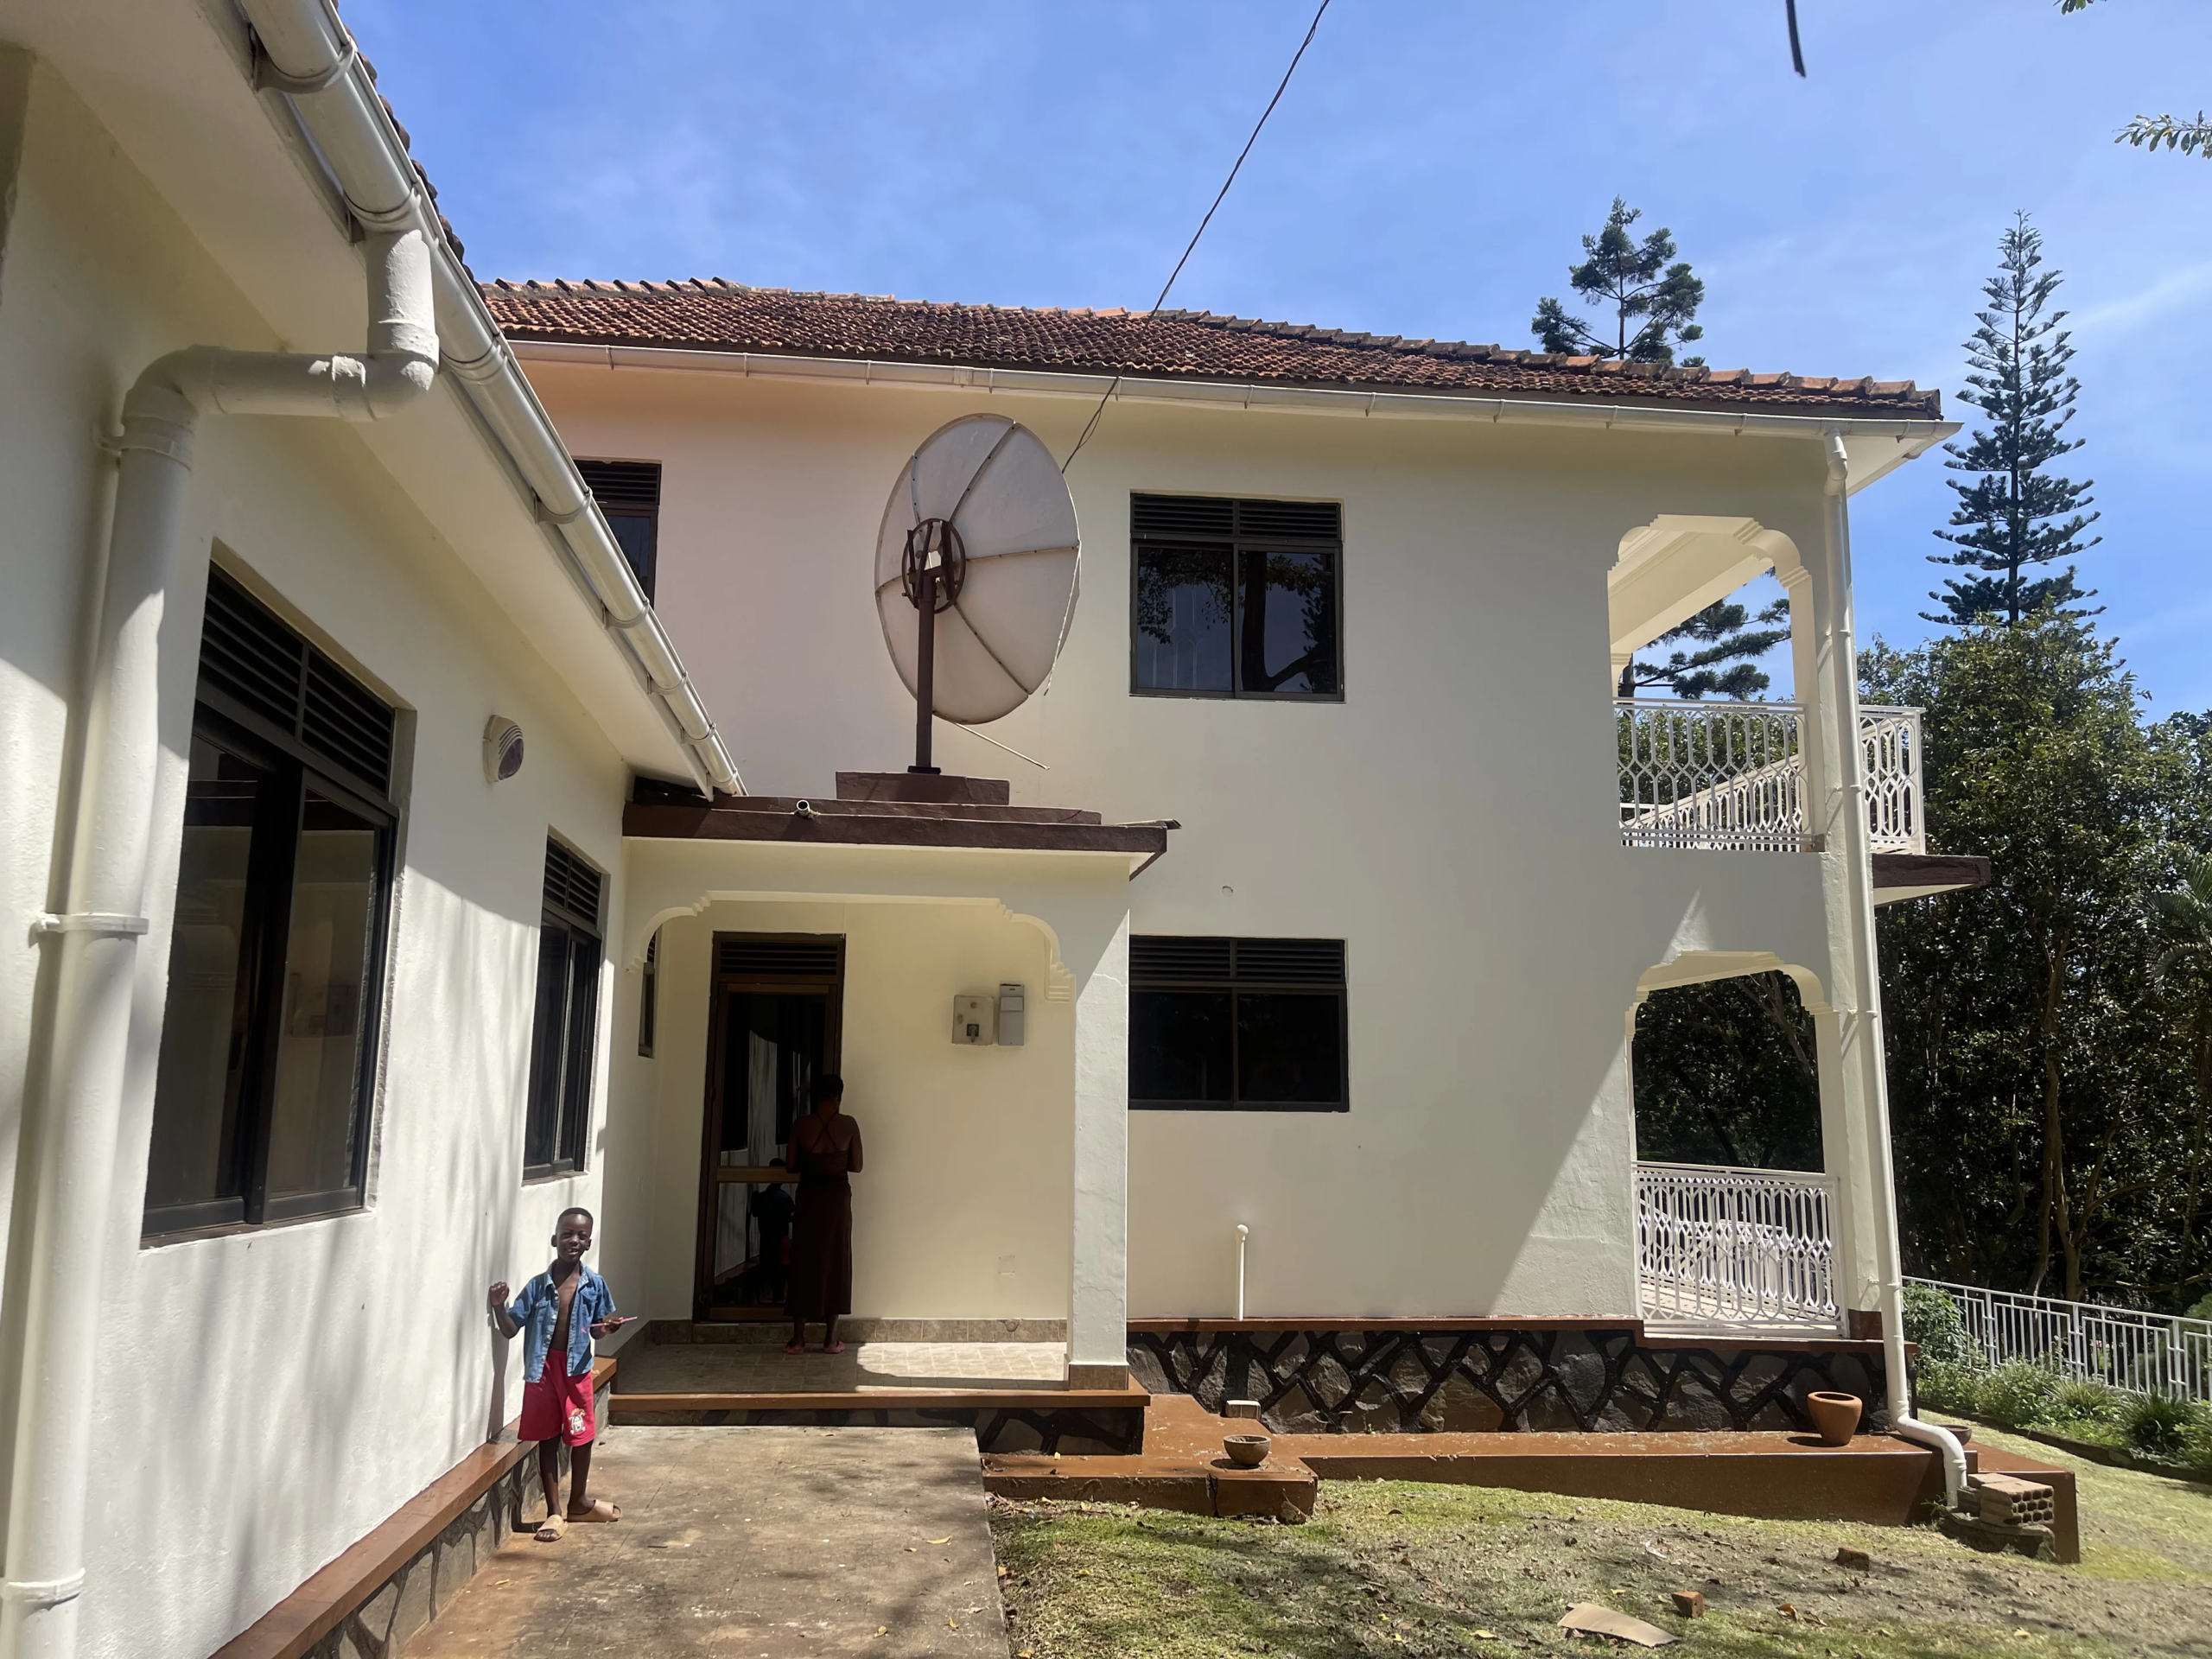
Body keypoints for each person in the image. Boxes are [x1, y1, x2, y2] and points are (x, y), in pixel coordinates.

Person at [488, 1206, 632, 1541]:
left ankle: (579, 1502)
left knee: (582, 1436)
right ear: (555, 1240)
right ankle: (554, 1512)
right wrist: (498, 1306)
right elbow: (510, 1329)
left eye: (582, 1236)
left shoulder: (595, 1285)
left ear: (589, 1243)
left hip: (576, 1374)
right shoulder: (537, 1287)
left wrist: (607, 1328)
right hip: (542, 1374)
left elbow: (597, 1330)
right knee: (548, 1438)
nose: (574, 1240)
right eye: (567, 1234)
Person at [785, 1074, 862, 1355]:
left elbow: (790, 1166)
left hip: (809, 1197)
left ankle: (798, 1340)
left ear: (815, 1097)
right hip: (837, 1200)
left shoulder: (801, 1125)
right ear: (838, 1097)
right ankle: (831, 1339)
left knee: (803, 1260)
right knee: (836, 1261)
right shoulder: (849, 1124)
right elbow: (857, 1166)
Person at [751, 1157, 795, 1306]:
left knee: (769, 1266)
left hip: (766, 1237)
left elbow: (755, 1212)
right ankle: (779, 1295)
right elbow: (791, 1215)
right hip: (781, 1237)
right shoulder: (785, 1198)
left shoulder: (763, 1196)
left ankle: (773, 1296)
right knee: (782, 1267)